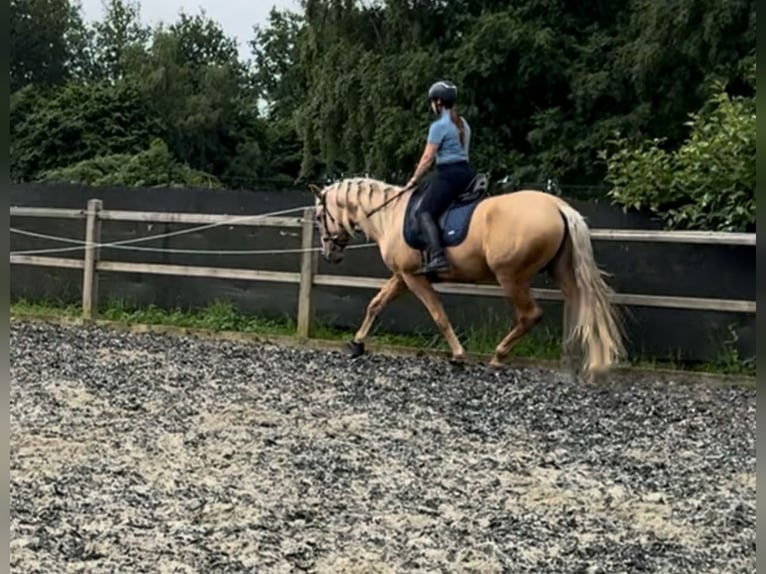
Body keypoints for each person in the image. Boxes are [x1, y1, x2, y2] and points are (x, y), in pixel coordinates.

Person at [406, 80, 475, 275]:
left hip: (449, 175)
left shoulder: (439, 126)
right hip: (466, 173)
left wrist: (413, 180)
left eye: (432, 101)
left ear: (438, 102)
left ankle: (438, 257)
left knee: (424, 213)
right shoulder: (464, 125)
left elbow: (428, 158)